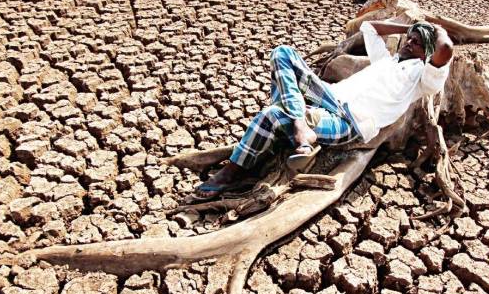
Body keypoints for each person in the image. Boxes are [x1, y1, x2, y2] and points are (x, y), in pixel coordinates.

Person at [191, 19, 454, 201]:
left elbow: (445, 49)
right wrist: (411, 27)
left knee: (271, 115)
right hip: (330, 97)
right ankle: (300, 123)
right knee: (283, 53)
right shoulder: (385, 61)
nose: (409, 43)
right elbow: (370, 27)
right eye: (409, 39)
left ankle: (233, 171)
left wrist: (437, 29)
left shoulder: (422, 78)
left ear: (426, 53)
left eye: (417, 43)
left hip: (349, 121)